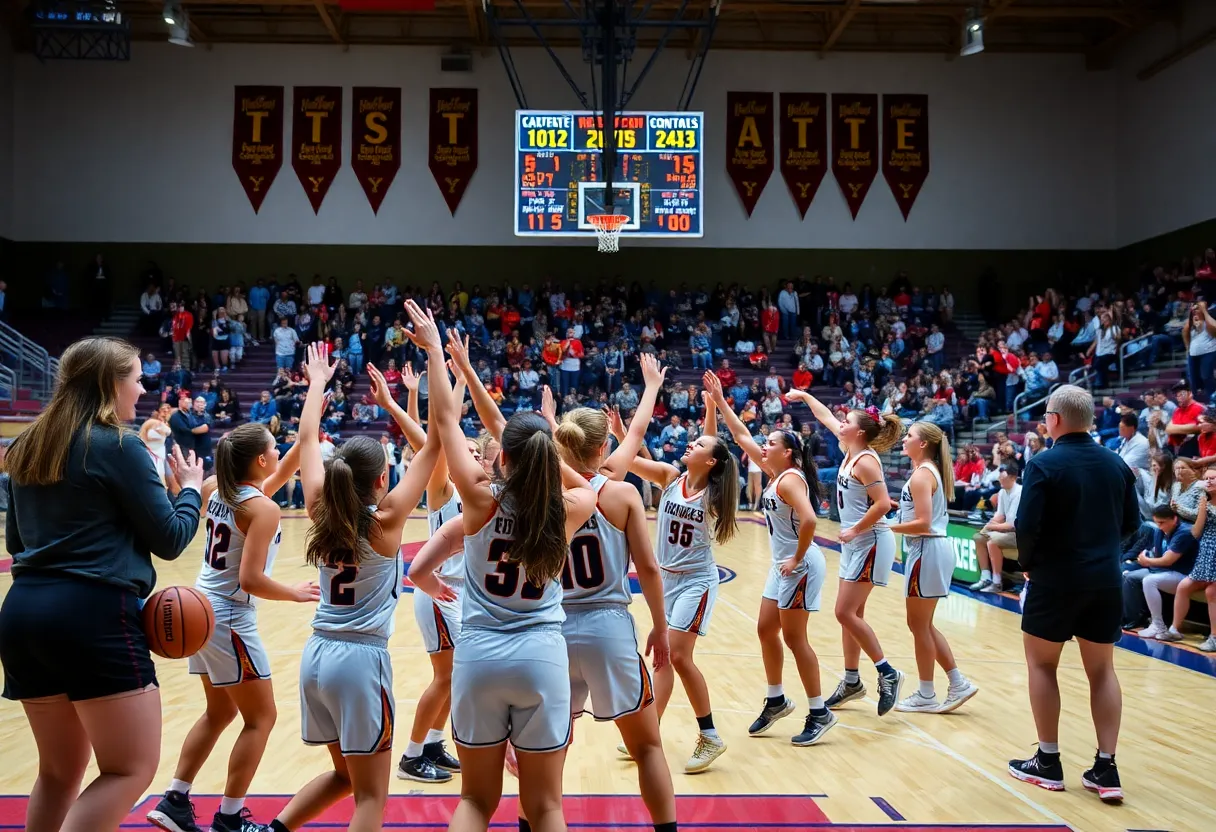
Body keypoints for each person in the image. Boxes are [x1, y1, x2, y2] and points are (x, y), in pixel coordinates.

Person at [403, 300, 598, 832]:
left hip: (480, 656)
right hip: (540, 655)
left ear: (503, 458)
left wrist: (438, 355)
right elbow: (579, 482)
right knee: (545, 808)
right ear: (548, 458)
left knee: (475, 802)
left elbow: (445, 420)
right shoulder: (570, 509)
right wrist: (544, 440)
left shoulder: (479, 499)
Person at [0, 336, 205, 832]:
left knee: (57, 773)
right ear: (110, 383)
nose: (141, 387)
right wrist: (193, 491)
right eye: (135, 378)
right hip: (92, 614)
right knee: (128, 768)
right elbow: (171, 538)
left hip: (22, 614)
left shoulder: (27, 445)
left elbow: (17, 540)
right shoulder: (119, 445)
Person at [255, 343, 440, 832]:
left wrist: (317, 381)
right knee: (372, 797)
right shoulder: (387, 520)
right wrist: (433, 370)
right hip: (359, 663)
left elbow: (309, 438)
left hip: (316, 657)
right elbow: (437, 445)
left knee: (344, 776)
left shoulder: (318, 506)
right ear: (384, 478)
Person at [146, 425, 316, 832]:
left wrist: (306, 431)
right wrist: (294, 592)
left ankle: (174, 799)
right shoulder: (262, 509)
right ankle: (228, 818)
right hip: (230, 617)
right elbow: (251, 580)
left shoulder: (213, 489)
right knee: (262, 718)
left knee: (220, 710)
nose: (280, 454)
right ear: (260, 460)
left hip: (202, 609)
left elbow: (275, 478)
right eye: (275, 449)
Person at [539, 375, 677, 830]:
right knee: (648, 748)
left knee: (548, 753)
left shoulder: (547, 497)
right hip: (608, 626)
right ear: (603, 449)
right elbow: (650, 570)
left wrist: (545, 421)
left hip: (554, 628)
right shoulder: (620, 493)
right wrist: (659, 625)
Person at [1010, 385, 1139, 803]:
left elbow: (1026, 526)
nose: (1044, 421)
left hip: (1055, 579)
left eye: (1046, 415)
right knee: (1102, 671)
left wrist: (1027, 562)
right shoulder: (1117, 464)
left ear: (1057, 419)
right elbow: (1131, 525)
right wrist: (1102, 553)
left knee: (1042, 665)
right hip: (1105, 580)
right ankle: (1107, 767)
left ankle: (1047, 761)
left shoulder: (1043, 464)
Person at [611, 385, 739, 773]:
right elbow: (631, 463)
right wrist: (621, 436)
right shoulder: (669, 476)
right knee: (664, 659)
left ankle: (710, 735)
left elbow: (714, 444)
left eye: (697, 444)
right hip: (666, 582)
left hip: (696, 582)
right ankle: (650, 732)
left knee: (679, 656)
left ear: (712, 461)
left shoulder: (713, 497)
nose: (689, 444)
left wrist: (712, 413)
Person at [704, 373, 836, 746]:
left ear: (788, 452)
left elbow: (810, 520)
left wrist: (795, 559)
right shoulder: (776, 474)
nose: (764, 444)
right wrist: (719, 401)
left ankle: (819, 711)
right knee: (765, 629)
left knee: (796, 639)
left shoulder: (791, 479)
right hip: (783, 565)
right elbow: (741, 437)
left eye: (771, 442)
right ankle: (776, 699)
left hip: (801, 564)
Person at [786, 390, 906, 716]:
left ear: (860, 432)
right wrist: (804, 396)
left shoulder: (866, 460)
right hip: (855, 544)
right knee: (852, 617)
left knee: (843, 613)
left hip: (870, 542)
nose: (841, 423)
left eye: (847, 421)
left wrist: (854, 529)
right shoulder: (850, 449)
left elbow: (883, 504)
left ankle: (887, 672)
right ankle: (852, 680)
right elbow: (825, 417)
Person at [394, 362, 470, 784]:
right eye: (469, 451)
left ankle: (434, 744)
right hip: (438, 589)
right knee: (445, 678)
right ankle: (410, 756)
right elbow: (443, 432)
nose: (472, 456)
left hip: (460, 594)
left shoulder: (477, 494)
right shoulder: (443, 489)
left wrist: (460, 380)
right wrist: (450, 383)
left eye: (479, 454)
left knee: (453, 678)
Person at [888, 422, 979, 713]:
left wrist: (887, 526)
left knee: (918, 625)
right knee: (921, 625)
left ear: (924, 443)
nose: (904, 439)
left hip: (927, 549)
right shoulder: (926, 473)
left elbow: (923, 523)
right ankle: (954, 683)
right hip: (929, 549)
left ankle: (930, 691)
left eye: (910, 435)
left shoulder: (922, 475)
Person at [1123, 504, 1197, 639]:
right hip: (1163, 571)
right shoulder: (1159, 531)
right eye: (1157, 523)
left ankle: (1158, 625)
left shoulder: (1184, 532)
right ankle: (1132, 619)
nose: (1160, 526)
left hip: (1184, 575)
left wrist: (1147, 561)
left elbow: (1168, 560)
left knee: (1149, 581)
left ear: (1174, 519)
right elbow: (1157, 555)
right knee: (1131, 576)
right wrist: (1146, 559)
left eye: (1162, 522)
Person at [968, 463, 1022, 593]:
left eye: (1003, 477)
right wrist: (989, 525)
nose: (1000, 479)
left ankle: (997, 583)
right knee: (978, 537)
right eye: (1000, 476)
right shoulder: (1003, 492)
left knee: (993, 542)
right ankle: (985, 577)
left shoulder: (1020, 493)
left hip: (1019, 534)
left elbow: (1011, 525)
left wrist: (991, 526)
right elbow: (1000, 515)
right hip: (1007, 530)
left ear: (1013, 477)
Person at [140, 402, 176, 488]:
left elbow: (168, 434)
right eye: (163, 409)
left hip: (161, 455)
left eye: (168, 410)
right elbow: (142, 436)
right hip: (149, 453)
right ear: (158, 411)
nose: (165, 411)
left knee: (166, 481)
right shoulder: (149, 422)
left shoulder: (166, 425)